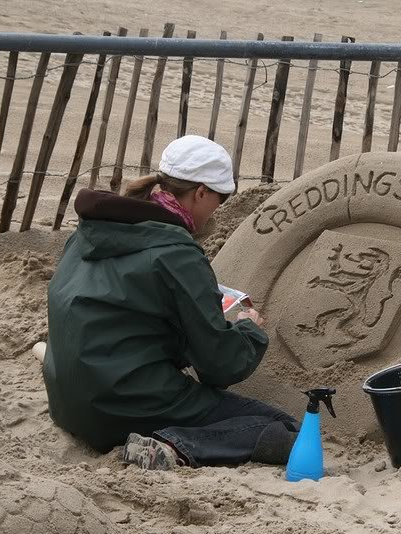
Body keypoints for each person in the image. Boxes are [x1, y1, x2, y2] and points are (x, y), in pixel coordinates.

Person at [42, 135, 298, 470]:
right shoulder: (176, 253)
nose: (215, 213)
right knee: (286, 430)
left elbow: (125, 314)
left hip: (68, 403)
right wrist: (249, 330)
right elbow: (219, 366)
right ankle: (173, 445)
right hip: (122, 405)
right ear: (201, 192)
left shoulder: (91, 232)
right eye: (218, 200)